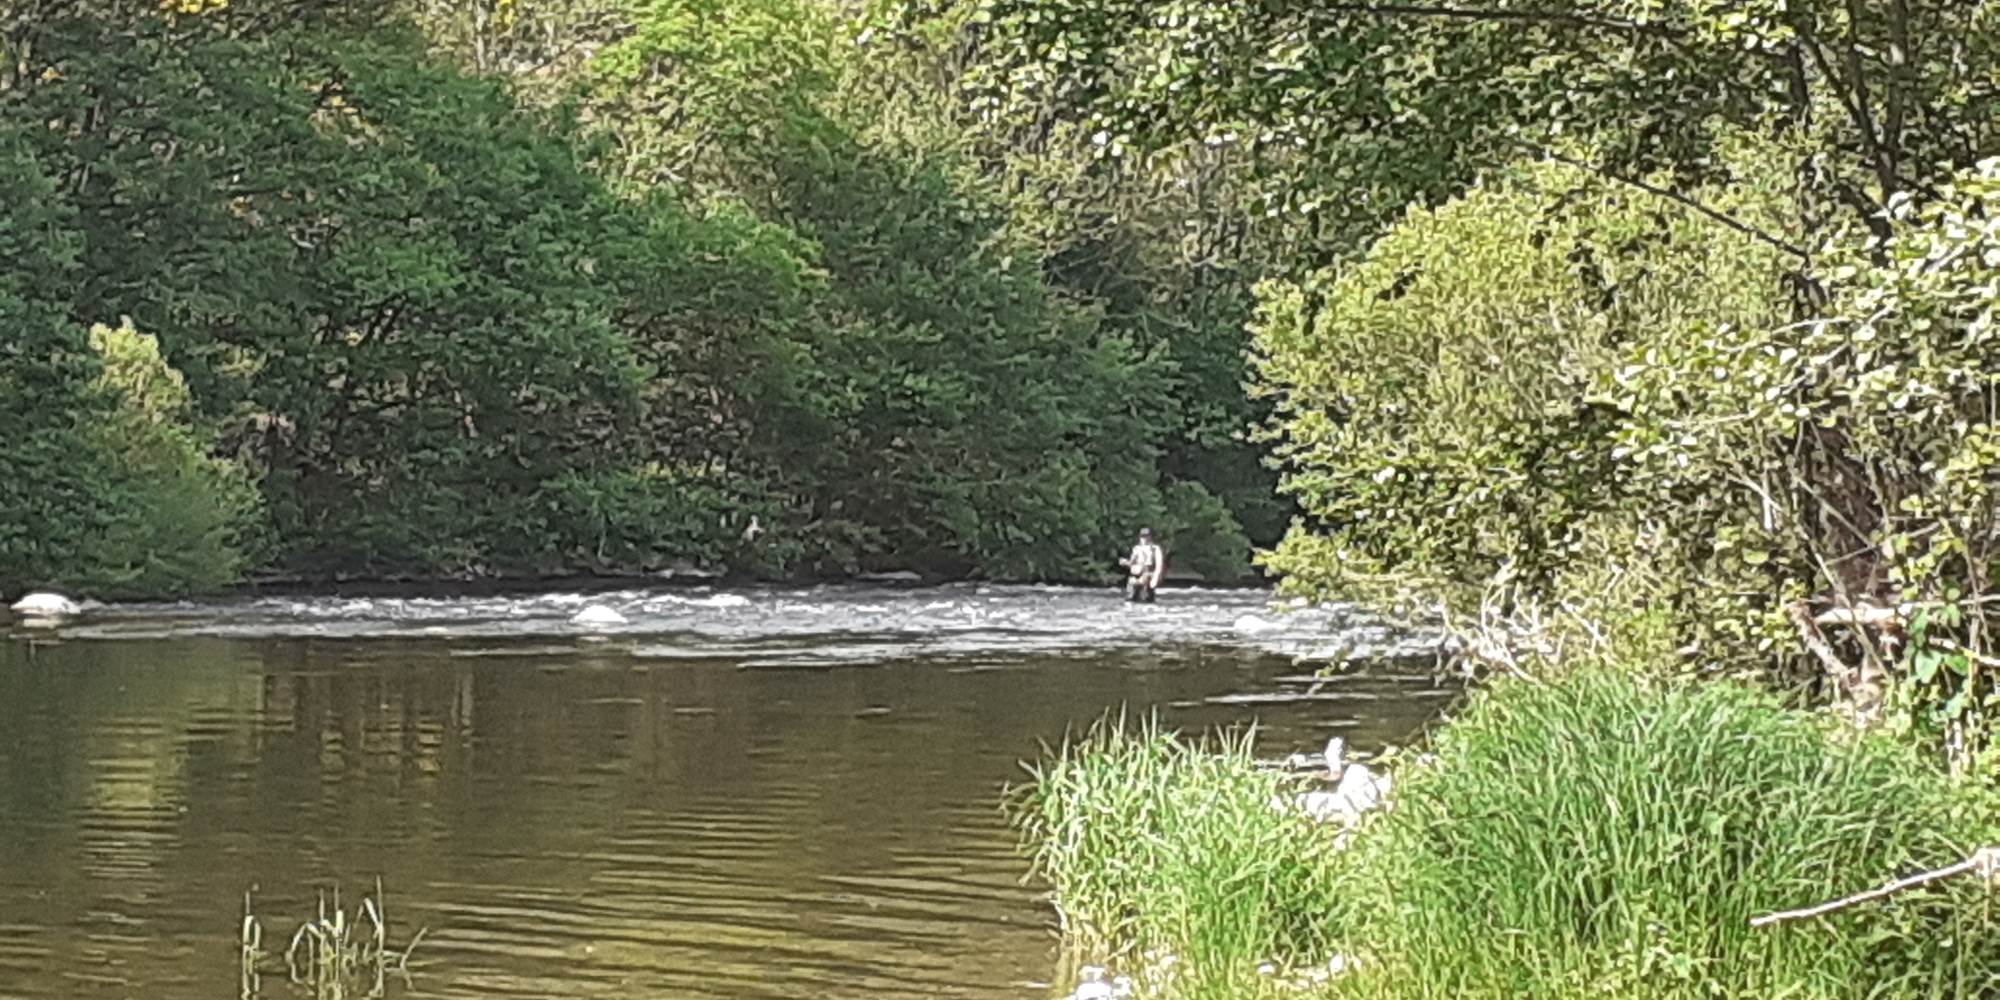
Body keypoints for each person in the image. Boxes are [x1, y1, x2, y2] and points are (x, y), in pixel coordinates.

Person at [1121, 528, 1165, 603]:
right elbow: (1132, 563)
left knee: (1146, 599)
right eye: (1142, 536)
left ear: (1150, 537)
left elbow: (1159, 566)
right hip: (1135, 576)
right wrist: (1125, 562)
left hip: (1148, 576)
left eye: (1146, 536)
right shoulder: (1136, 548)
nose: (1144, 538)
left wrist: (1155, 578)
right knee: (1130, 599)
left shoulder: (1155, 549)